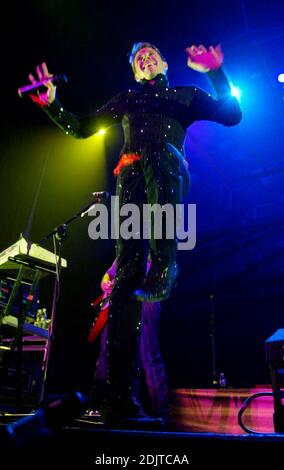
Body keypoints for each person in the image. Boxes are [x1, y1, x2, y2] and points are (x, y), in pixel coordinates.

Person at [26, 42, 242, 425]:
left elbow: (232, 113)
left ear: (163, 62)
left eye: (151, 52)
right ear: (134, 72)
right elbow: (81, 127)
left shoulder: (184, 95)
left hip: (168, 173)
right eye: (137, 57)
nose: (144, 57)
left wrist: (215, 72)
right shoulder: (127, 99)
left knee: (159, 156)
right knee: (124, 287)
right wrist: (52, 104)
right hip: (133, 184)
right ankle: (119, 402)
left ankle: (164, 263)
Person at [88, 258, 169, 422]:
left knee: (148, 354)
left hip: (145, 298)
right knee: (107, 354)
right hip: (119, 301)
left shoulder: (156, 240)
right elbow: (108, 274)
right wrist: (106, 283)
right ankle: (96, 407)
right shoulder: (125, 248)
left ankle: (161, 413)